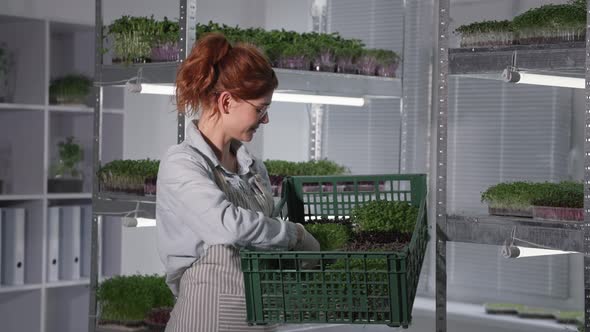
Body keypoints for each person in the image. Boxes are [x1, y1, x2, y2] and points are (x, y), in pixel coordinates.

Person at [156, 32, 320, 332]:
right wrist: (295, 234)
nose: (265, 119)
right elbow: (227, 226)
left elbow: (262, 240)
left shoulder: (253, 168)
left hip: (260, 320)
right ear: (227, 101)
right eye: (261, 108)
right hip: (205, 320)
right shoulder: (182, 163)